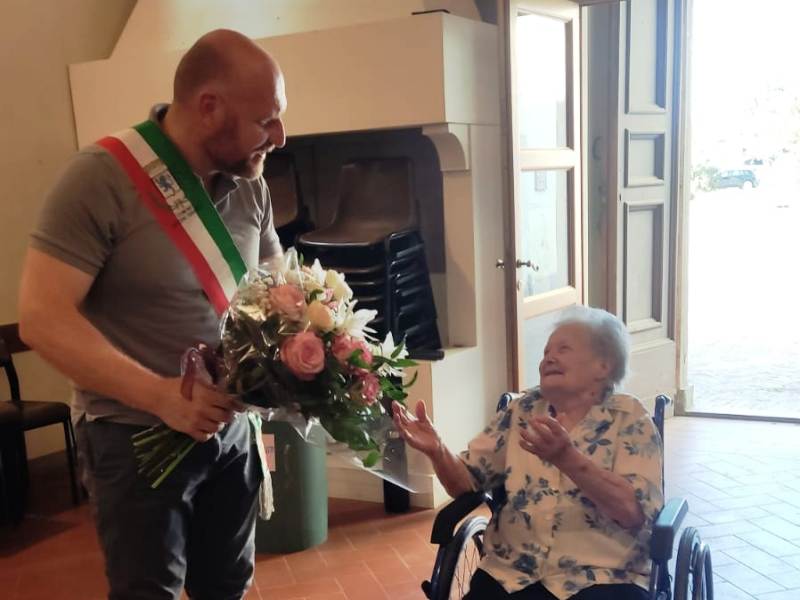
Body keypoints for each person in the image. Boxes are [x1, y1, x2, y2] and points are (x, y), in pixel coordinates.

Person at [18, 29, 286, 599]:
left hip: (232, 432)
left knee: (228, 587)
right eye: (266, 121)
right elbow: (41, 317)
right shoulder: (98, 177)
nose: (280, 137)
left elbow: (276, 292)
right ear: (209, 107)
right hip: (133, 437)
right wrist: (160, 396)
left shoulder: (251, 187)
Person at [393, 307, 664, 600]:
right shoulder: (522, 411)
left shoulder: (629, 419)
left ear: (603, 366)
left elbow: (633, 512)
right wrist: (438, 450)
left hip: (603, 576)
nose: (549, 358)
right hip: (513, 573)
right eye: (546, 352)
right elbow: (465, 482)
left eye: (563, 349)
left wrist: (568, 459)